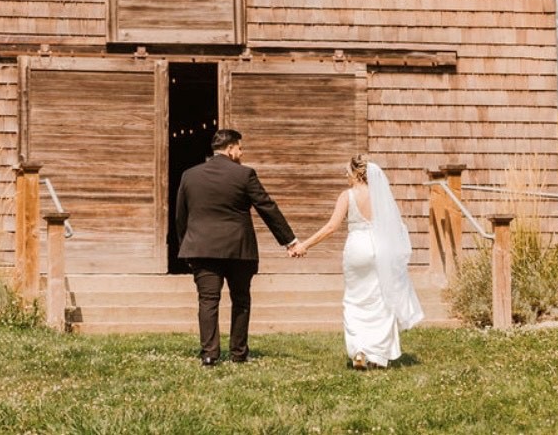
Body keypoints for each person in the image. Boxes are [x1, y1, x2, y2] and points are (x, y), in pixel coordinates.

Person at [175, 128, 299, 367]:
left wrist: (186, 247)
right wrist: (289, 241)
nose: (241, 153)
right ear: (231, 149)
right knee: (240, 300)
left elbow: (182, 216)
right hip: (238, 249)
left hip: (201, 247)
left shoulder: (189, 175)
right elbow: (267, 208)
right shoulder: (244, 175)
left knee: (207, 301)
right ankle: (238, 352)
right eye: (240, 148)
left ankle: (210, 354)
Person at [293, 154, 423, 369]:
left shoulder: (347, 195)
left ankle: (360, 349)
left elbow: (331, 227)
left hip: (357, 249)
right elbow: (395, 227)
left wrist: (304, 245)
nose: (346, 175)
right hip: (381, 248)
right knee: (381, 299)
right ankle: (379, 355)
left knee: (355, 299)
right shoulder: (381, 196)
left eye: (347, 172)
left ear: (355, 173)